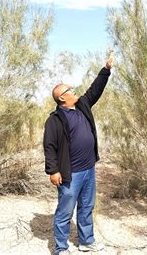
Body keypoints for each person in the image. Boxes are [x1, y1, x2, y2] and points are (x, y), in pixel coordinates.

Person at [43, 57, 113, 254]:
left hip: (89, 169)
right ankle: (61, 248)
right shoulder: (55, 120)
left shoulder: (82, 105)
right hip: (70, 174)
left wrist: (105, 70)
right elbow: (49, 146)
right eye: (70, 90)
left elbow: (95, 89)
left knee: (86, 207)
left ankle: (86, 241)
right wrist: (53, 170)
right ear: (62, 98)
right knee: (65, 212)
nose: (74, 91)